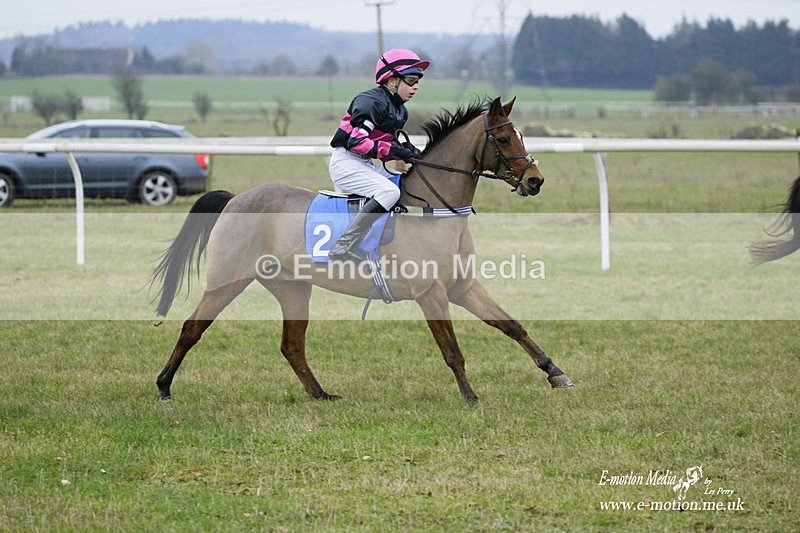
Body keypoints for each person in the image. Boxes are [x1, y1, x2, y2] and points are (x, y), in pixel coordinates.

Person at [327, 48, 430, 261]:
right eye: (410, 80)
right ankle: (343, 246)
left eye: (418, 81)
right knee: (390, 193)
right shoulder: (370, 102)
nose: (416, 86)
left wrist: (411, 152)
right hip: (346, 162)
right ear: (391, 80)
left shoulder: (400, 110)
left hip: (362, 164)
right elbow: (357, 142)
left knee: (405, 184)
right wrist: (394, 151)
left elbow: (385, 143)